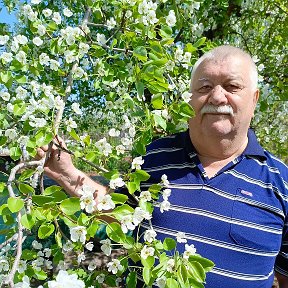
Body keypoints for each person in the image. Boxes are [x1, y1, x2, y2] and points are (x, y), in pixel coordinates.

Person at [38, 45, 288, 288]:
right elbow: (117, 212)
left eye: (232, 86)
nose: (217, 96)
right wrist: (66, 173)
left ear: (254, 99)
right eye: (204, 87)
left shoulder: (282, 183)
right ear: (189, 97)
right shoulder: (155, 155)